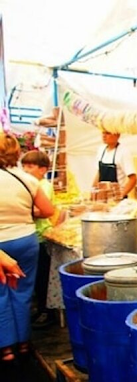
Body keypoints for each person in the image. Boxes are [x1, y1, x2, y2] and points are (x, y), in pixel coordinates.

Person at [0, 132, 55, 362]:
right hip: (25, 239)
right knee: (22, 291)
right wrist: (24, 212)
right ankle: (24, 343)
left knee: (1, 294)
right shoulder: (28, 180)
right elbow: (48, 210)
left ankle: (6, 348)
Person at [20, 150, 56, 328]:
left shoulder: (43, 186)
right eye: (24, 165)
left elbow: (44, 210)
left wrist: (22, 210)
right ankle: (41, 308)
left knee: (42, 278)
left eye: (30, 166)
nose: (26, 169)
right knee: (35, 278)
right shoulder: (28, 183)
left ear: (43, 170)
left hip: (41, 236)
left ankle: (47, 312)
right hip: (32, 234)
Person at [91, 131, 137, 200]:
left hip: (116, 200)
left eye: (107, 133)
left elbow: (133, 179)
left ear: (117, 135)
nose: (104, 136)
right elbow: (99, 173)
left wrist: (120, 196)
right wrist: (93, 191)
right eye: (103, 133)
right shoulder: (101, 150)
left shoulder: (123, 152)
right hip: (102, 198)